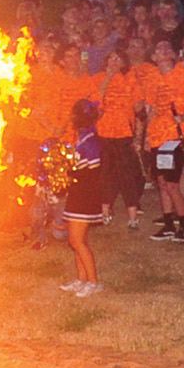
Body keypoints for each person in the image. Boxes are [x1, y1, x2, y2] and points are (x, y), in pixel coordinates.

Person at [57, 99, 108, 294]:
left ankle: (94, 283)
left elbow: (94, 172)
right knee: (76, 239)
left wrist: (71, 172)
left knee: (76, 241)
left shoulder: (91, 141)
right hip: (77, 194)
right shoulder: (82, 139)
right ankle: (82, 278)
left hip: (86, 196)